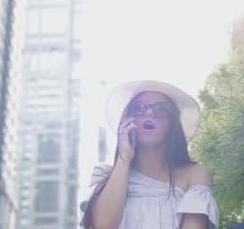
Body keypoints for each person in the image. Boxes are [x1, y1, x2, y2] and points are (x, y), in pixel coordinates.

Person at [80, 80, 219, 229]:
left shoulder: (195, 174)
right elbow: (103, 225)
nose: (149, 113)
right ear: (127, 119)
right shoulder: (104, 175)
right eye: (138, 108)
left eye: (161, 109)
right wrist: (124, 159)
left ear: (173, 122)